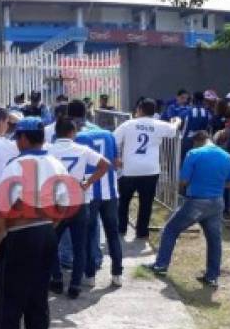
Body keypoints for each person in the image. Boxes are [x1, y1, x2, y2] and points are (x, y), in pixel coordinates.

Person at [0, 117, 68, 329]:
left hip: (19, 236)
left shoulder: (17, 165)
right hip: (46, 234)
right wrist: (46, 223)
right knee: (37, 298)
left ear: (22, 138)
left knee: (7, 297)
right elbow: (64, 206)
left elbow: (0, 210)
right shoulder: (56, 164)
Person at [145, 131, 230, 289]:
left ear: (198, 141)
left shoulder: (194, 153)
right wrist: (214, 184)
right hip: (216, 202)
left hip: (196, 201)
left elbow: (184, 180)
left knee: (171, 229)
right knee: (214, 240)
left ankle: (161, 265)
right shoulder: (227, 156)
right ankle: (212, 276)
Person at [44, 118, 109, 299]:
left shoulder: (48, 150)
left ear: (56, 132)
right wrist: (88, 182)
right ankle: (75, 285)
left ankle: (56, 279)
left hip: (56, 204)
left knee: (51, 244)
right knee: (79, 246)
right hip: (79, 201)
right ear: (73, 133)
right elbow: (105, 164)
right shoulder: (82, 149)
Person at [67, 103, 124, 288]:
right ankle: (117, 273)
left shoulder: (78, 137)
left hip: (89, 192)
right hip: (110, 192)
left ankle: (90, 275)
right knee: (113, 234)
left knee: (88, 234)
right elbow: (115, 162)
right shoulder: (107, 133)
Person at [114, 99, 181, 239]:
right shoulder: (159, 124)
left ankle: (121, 228)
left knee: (124, 201)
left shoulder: (128, 124)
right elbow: (173, 130)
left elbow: (113, 139)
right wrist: (177, 121)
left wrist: (116, 157)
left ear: (139, 110)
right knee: (146, 203)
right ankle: (142, 232)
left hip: (129, 169)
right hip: (150, 170)